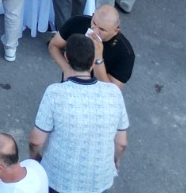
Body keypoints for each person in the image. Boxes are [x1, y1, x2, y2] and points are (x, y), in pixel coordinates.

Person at [28, 33, 129, 193]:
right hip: (98, 180)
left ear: (66, 57)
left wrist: (34, 158)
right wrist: (114, 160)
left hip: (58, 179)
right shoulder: (113, 93)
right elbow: (121, 143)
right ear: (92, 61)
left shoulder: (55, 93)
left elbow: (36, 141)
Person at [47, 5, 134, 92]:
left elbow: (111, 92)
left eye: (102, 30)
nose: (94, 31)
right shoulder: (77, 22)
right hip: (69, 88)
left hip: (97, 99)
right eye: (94, 23)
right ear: (93, 15)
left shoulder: (125, 54)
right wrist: (67, 69)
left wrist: (98, 58)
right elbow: (54, 45)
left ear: (116, 31)